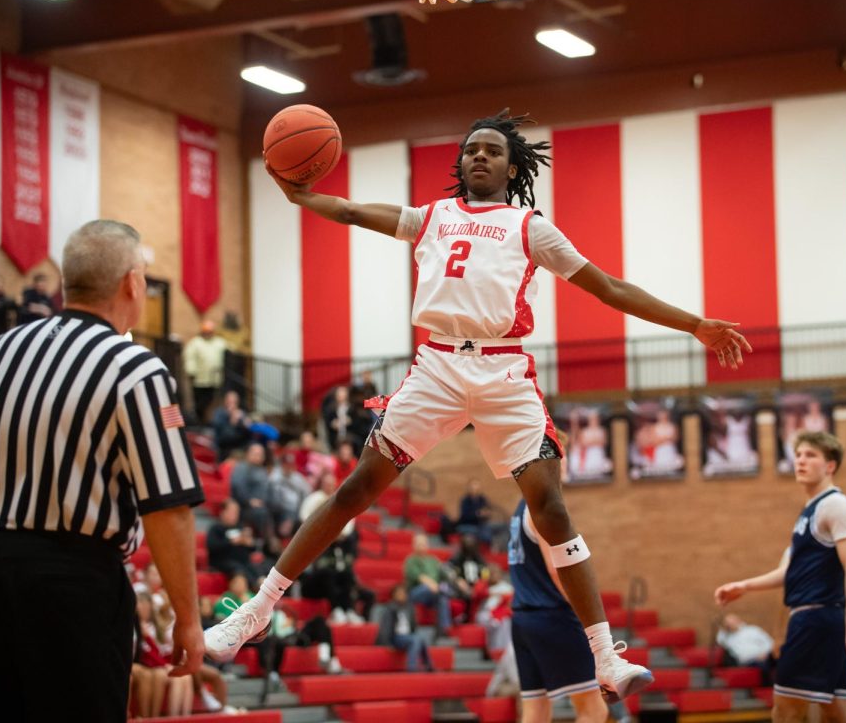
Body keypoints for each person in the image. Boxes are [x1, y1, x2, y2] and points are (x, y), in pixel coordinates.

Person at [205, 110, 751, 700]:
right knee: (356, 489)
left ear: (512, 167)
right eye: (471, 150)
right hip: (437, 365)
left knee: (550, 508)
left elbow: (610, 288)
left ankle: (604, 655)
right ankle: (257, 610)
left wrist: (694, 324)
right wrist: (300, 194)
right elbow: (353, 211)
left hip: (502, 371)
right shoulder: (431, 217)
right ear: (461, 164)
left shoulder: (531, 228)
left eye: (492, 150)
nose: (480, 156)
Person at [0, 219, 206, 722]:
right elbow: (168, 507)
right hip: (74, 586)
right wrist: (188, 620)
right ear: (132, 282)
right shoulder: (138, 370)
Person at [714, 431, 846, 722]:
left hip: (814, 620)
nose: (801, 461)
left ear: (830, 466)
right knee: (838, 714)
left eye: (810, 455)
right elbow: (788, 572)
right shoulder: (809, 512)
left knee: (785, 712)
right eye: (798, 455)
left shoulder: (835, 505)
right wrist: (744, 586)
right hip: (822, 622)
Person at [507, 499, 607, 723]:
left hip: (523, 619)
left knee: (536, 713)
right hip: (553, 616)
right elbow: (557, 569)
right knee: (594, 711)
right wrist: (586, 614)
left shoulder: (521, 509)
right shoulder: (543, 506)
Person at [376, 584, 435, 672]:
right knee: (416, 639)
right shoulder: (390, 608)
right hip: (395, 637)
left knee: (420, 639)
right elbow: (386, 627)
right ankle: (412, 668)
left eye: (403, 593)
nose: (401, 595)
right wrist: (387, 643)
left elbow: (413, 625)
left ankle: (428, 665)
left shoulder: (409, 607)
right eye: (399, 593)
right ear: (394, 595)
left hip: (408, 636)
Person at [403, 533, 454, 635]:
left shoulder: (433, 560)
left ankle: (444, 630)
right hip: (416, 592)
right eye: (419, 544)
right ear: (414, 545)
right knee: (429, 588)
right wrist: (435, 586)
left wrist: (457, 579)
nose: (422, 546)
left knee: (442, 599)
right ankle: (445, 592)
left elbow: (446, 574)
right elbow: (421, 578)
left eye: (424, 544)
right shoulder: (411, 560)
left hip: (434, 593)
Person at [184, 320, 227, 423]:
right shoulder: (195, 343)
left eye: (210, 331)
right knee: (199, 401)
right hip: (199, 379)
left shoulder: (220, 342)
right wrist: (191, 371)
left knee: (211, 400)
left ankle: (208, 420)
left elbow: (228, 352)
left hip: (214, 379)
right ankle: (199, 420)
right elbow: (190, 358)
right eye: (206, 331)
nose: (208, 333)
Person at [207, 499, 262, 579]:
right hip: (223, 562)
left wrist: (249, 543)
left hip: (243, 562)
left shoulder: (241, 528)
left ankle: (259, 582)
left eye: (237, 512)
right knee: (239, 571)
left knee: (258, 570)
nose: (235, 515)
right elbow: (212, 547)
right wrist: (232, 542)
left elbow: (252, 549)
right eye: (232, 512)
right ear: (223, 512)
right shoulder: (216, 528)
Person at [212, 390, 253, 460]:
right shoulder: (219, 415)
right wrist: (232, 422)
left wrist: (247, 425)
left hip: (241, 450)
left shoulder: (241, 413)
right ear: (225, 402)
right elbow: (224, 438)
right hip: (225, 451)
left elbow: (247, 436)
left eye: (235, 402)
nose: (233, 405)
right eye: (230, 402)